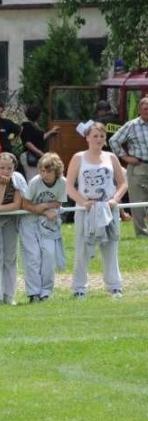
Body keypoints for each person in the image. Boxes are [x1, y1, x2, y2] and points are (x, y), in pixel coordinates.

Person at [68, 122, 127, 299]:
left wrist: (114, 200)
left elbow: (123, 182)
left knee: (110, 247)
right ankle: (79, 288)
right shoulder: (79, 157)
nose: (99, 139)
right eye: (95, 136)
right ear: (87, 137)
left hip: (108, 209)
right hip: (86, 210)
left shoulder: (111, 157)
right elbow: (69, 186)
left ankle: (114, 286)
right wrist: (83, 202)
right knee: (83, 248)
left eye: (102, 136)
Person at [18, 152, 67, 303]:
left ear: (56, 171)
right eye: (42, 171)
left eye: (49, 171)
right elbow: (25, 204)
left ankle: (46, 292)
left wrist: (45, 209)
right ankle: (33, 293)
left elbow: (59, 202)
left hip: (48, 223)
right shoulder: (35, 182)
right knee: (32, 257)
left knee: (48, 256)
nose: (45, 174)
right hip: (30, 221)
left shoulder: (62, 182)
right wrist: (42, 209)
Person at [0, 152, 26, 305]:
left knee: (10, 257)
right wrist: (2, 185)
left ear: (14, 167)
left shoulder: (18, 178)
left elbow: (17, 204)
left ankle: (9, 294)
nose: (5, 171)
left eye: (9, 168)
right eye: (1, 167)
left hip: (10, 219)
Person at [108, 96, 148, 238]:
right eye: (145, 109)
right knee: (138, 202)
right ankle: (142, 233)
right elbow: (113, 141)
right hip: (139, 166)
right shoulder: (132, 125)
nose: (147, 111)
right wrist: (126, 157)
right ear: (139, 110)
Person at [20, 105, 60, 181]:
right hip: (29, 156)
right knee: (32, 180)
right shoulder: (26, 125)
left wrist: (51, 132)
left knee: (38, 179)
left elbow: (41, 137)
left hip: (37, 157)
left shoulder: (34, 126)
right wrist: (39, 152)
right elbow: (27, 143)